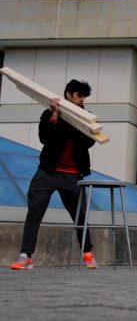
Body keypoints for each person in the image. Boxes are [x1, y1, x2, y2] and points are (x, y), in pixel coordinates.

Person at [10, 80, 98, 270]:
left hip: (73, 174)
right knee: (34, 212)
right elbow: (45, 138)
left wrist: (79, 122)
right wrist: (56, 116)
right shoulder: (49, 113)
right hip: (48, 171)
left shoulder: (86, 116)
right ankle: (26, 256)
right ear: (68, 94)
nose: (82, 100)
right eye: (78, 95)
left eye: (84, 97)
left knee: (79, 215)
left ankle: (88, 254)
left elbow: (88, 143)